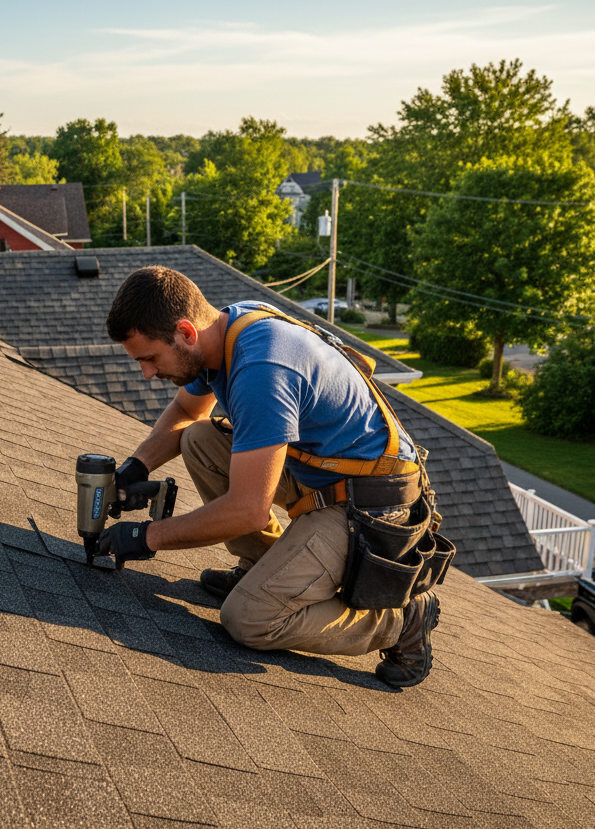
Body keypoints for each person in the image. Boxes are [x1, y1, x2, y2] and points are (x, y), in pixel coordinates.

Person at [95, 265, 442, 688]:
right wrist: (138, 465)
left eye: (149, 358)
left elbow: (247, 509)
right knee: (201, 438)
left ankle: (401, 620)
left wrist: (147, 537)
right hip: (324, 474)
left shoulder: (262, 366)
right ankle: (262, 565)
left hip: (369, 505)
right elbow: (188, 412)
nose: (147, 373)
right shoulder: (224, 330)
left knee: (247, 620)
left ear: (186, 332)